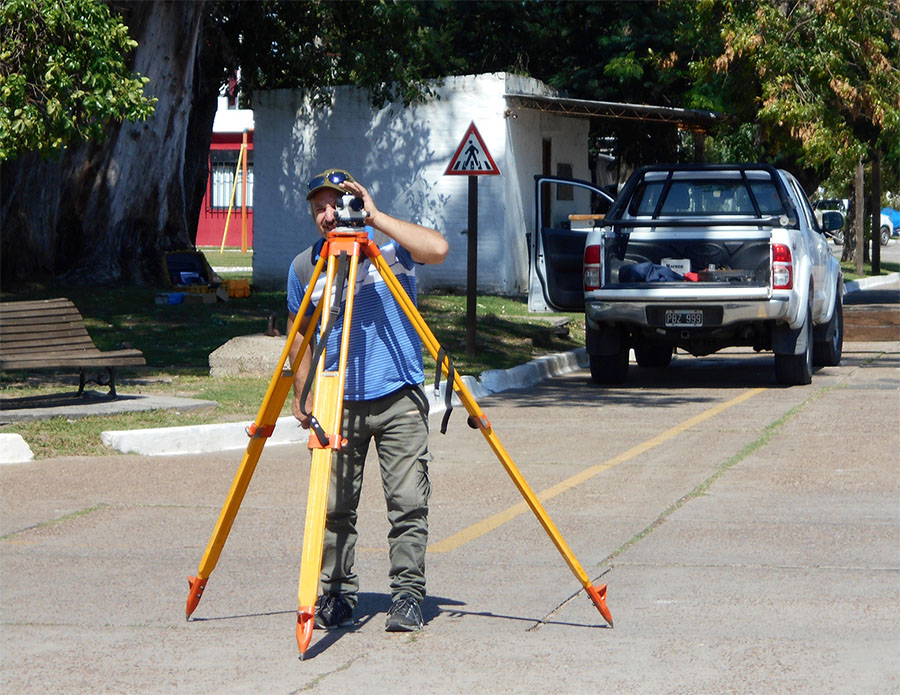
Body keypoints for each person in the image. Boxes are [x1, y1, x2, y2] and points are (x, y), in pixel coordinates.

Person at [287, 169, 449, 632]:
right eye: (318, 206)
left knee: (407, 502)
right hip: (339, 401)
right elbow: (299, 336)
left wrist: (376, 218)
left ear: (353, 203)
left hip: (398, 394)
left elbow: (438, 248)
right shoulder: (306, 268)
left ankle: (407, 597)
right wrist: (304, 392)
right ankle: (336, 596)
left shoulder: (392, 253)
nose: (327, 214)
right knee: (335, 505)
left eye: (335, 203)